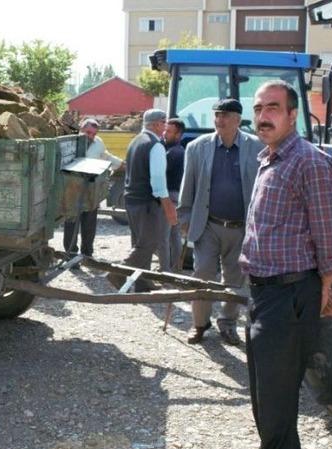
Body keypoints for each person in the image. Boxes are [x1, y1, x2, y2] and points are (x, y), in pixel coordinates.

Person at [231, 80, 332, 449]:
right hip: (264, 293)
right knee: (266, 397)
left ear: (293, 114)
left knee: (277, 399)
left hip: (289, 294)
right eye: (258, 108)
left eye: (273, 108)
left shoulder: (309, 162)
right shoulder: (271, 159)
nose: (263, 116)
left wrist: (324, 288)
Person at [177, 99, 263, 346]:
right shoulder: (197, 147)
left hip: (241, 227)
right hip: (208, 225)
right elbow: (188, 185)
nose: (219, 120)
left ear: (238, 120)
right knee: (202, 273)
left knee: (235, 279)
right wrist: (184, 216)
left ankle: (227, 323)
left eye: (225, 115)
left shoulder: (256, 146)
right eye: (217, 115)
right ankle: (199, 324)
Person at [107, 109, 177, 292]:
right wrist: (168, 205)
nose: (166, 126)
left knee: (140, 241)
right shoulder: (155, 145)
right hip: (147, 202)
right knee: (149, 243)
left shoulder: (136, 141)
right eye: (164, 122)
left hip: (132, 199)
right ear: (156, 124)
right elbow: (158, 180)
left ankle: (142, 283)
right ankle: (117, 272)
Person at [63, 118, 123, 258]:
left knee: (89, 223)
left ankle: (87, 253)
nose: (91, 136)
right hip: (73, 188)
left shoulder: (98, 142)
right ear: (81, 129)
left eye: (94, 134)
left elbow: (105, 156)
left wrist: (121, 164)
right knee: (72, 223)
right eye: (88, 132)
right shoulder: (71, 143)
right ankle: (71, 254)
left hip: (91, 188)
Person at [159, 117, 185, 273]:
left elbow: (160, 171)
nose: (164, 134)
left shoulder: (174, 153)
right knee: (174, 235)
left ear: (178, 135)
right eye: (165, 130)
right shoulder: (175, 150)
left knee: (164, 235)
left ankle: (165, 271)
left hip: (170, 197)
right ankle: (176, 268)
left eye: (169, 131)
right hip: (175, 196)